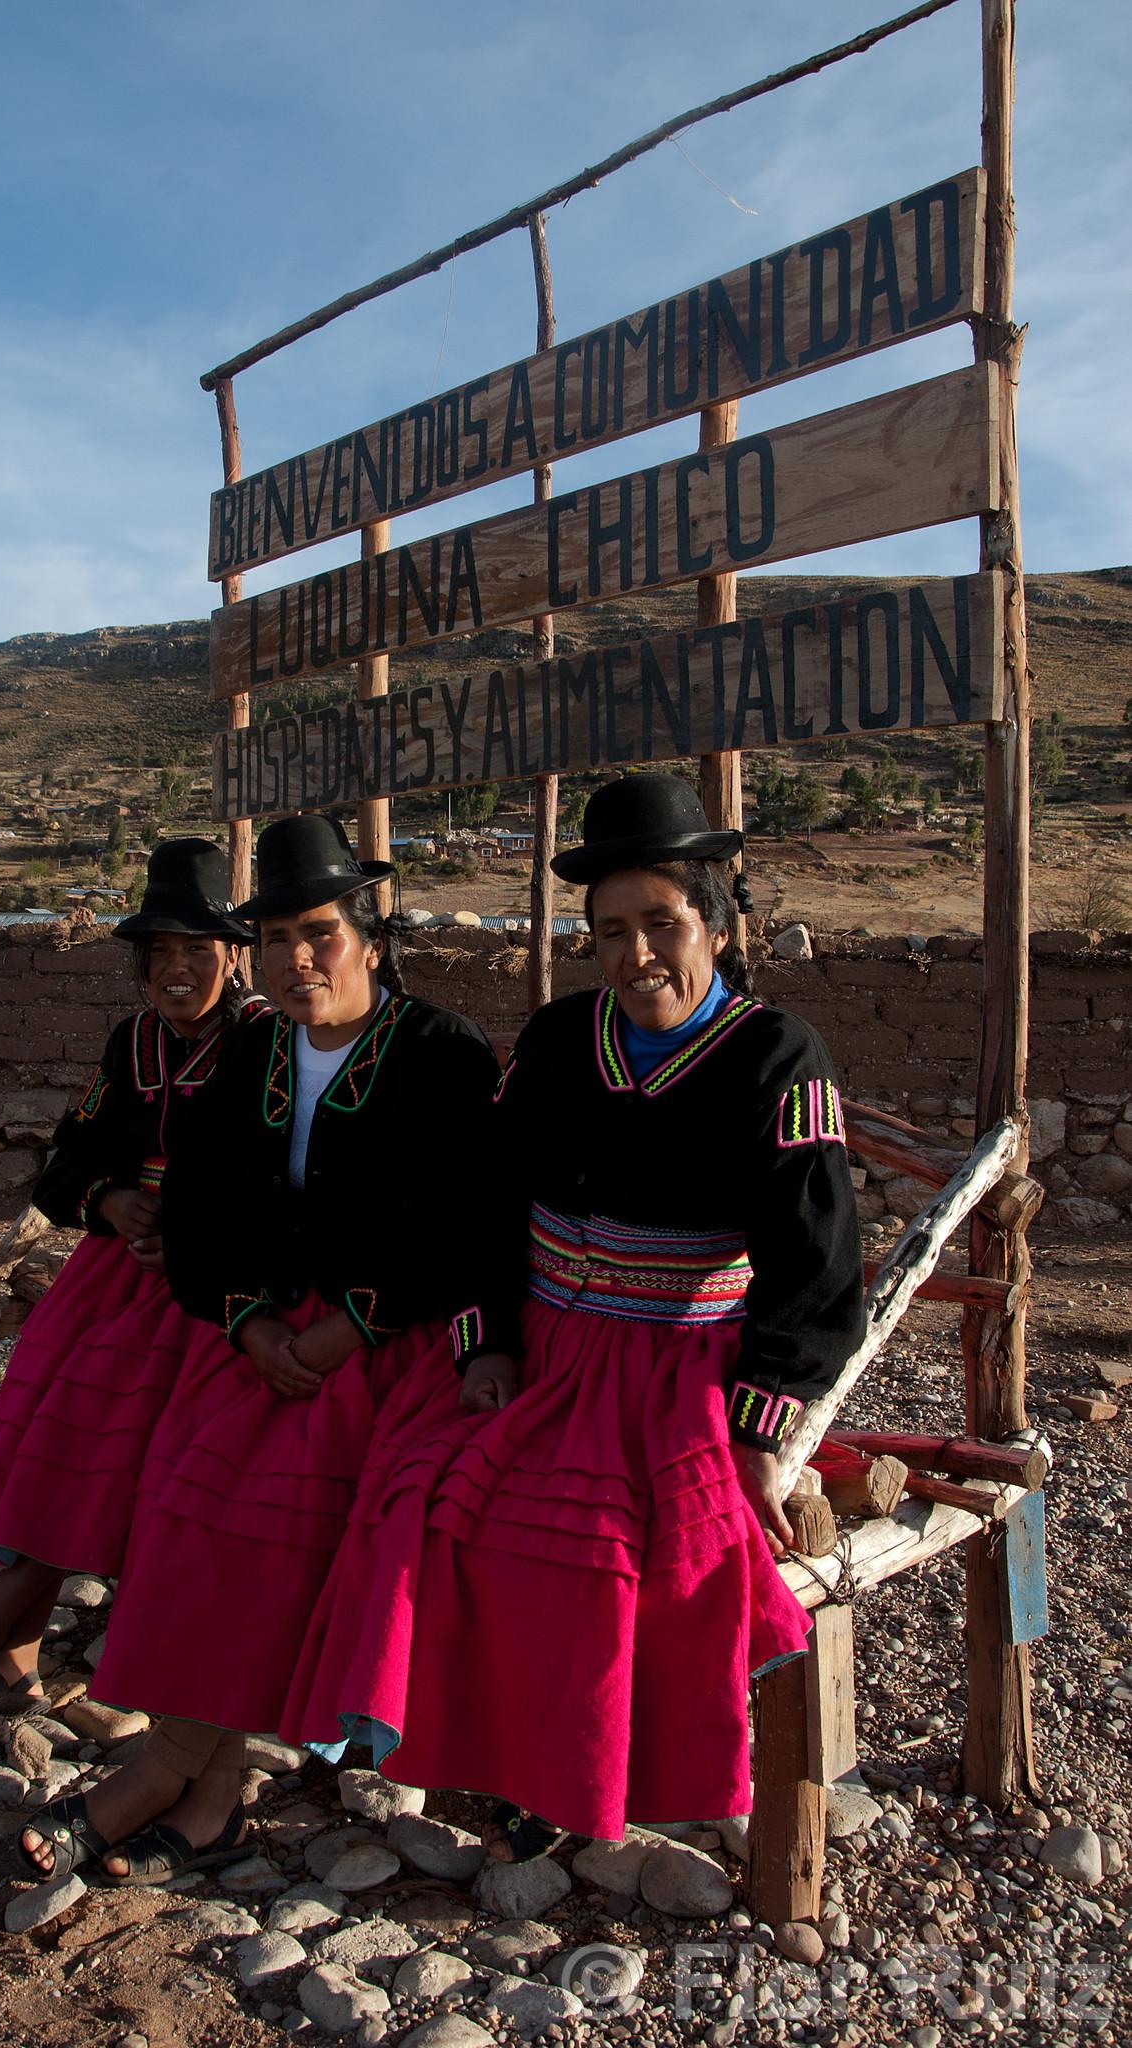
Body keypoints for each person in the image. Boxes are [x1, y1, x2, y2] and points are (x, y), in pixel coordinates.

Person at [284, 774, 866, 1856]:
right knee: (422, 1494)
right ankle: (471, 1745)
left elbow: (820, 1265)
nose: (638, 954)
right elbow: (481, 1199)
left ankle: (584, 1772)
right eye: (611, 931)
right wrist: (488, 1342)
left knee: (594, 1546)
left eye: (663, 923)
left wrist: (756, 1432)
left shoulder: (776, 1057)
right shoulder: (558, 1041)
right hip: (544, 1347)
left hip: (678, 1368)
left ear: (719, 924)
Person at [18, 813, 499, 1886]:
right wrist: (248, 1320)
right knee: (190, 1512)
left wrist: (340, 1329)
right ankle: (213, 1802)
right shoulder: (254, 1052)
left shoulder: (438, 1051)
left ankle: (166, 1770)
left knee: (267, 1525)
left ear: (369, 938)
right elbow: (198, 1208)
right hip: (266, 1334)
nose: (296, 959)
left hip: (392, 1342)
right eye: (276, 938)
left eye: (318, 934)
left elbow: (461, 1224)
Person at [0, 840, 262, 1724]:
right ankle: (12, 1654)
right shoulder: (129, 1045)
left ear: (233, 955)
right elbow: (63, 1165)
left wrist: (199, 1230)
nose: (174, 971)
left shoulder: (267, 1045)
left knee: (109, 1454)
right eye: (157, 953)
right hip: (115, 1278)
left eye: (195, 951)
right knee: (58, 1441)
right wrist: (112, 1198)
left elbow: (279, 1174)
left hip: (208, 1291)